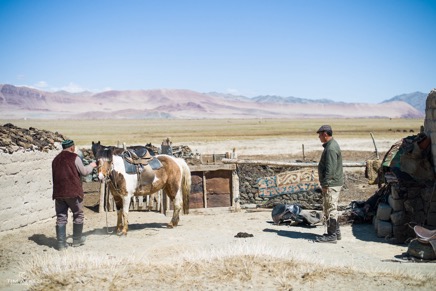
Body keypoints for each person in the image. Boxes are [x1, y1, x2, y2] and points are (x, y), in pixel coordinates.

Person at [52, 139, 96, 250]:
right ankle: (77, 240)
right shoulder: (75, 158)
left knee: (61, 217)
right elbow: (84, 172)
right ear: (72, 147)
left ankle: (61, 244)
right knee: (78, 215)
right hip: (73, 192)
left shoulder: (55, 160)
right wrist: (92, 165)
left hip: (59, 193)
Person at [315, 125, 343, 243]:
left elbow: (330, 169)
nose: (319, 137)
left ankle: (332, 236)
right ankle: (336, 233)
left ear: (325, 134)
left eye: (320, 135)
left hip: (331, 184)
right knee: (331, 207)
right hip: (333, 183)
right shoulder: (331, 145)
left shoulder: (331, 148)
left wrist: (325, 184)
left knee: (331, 209)